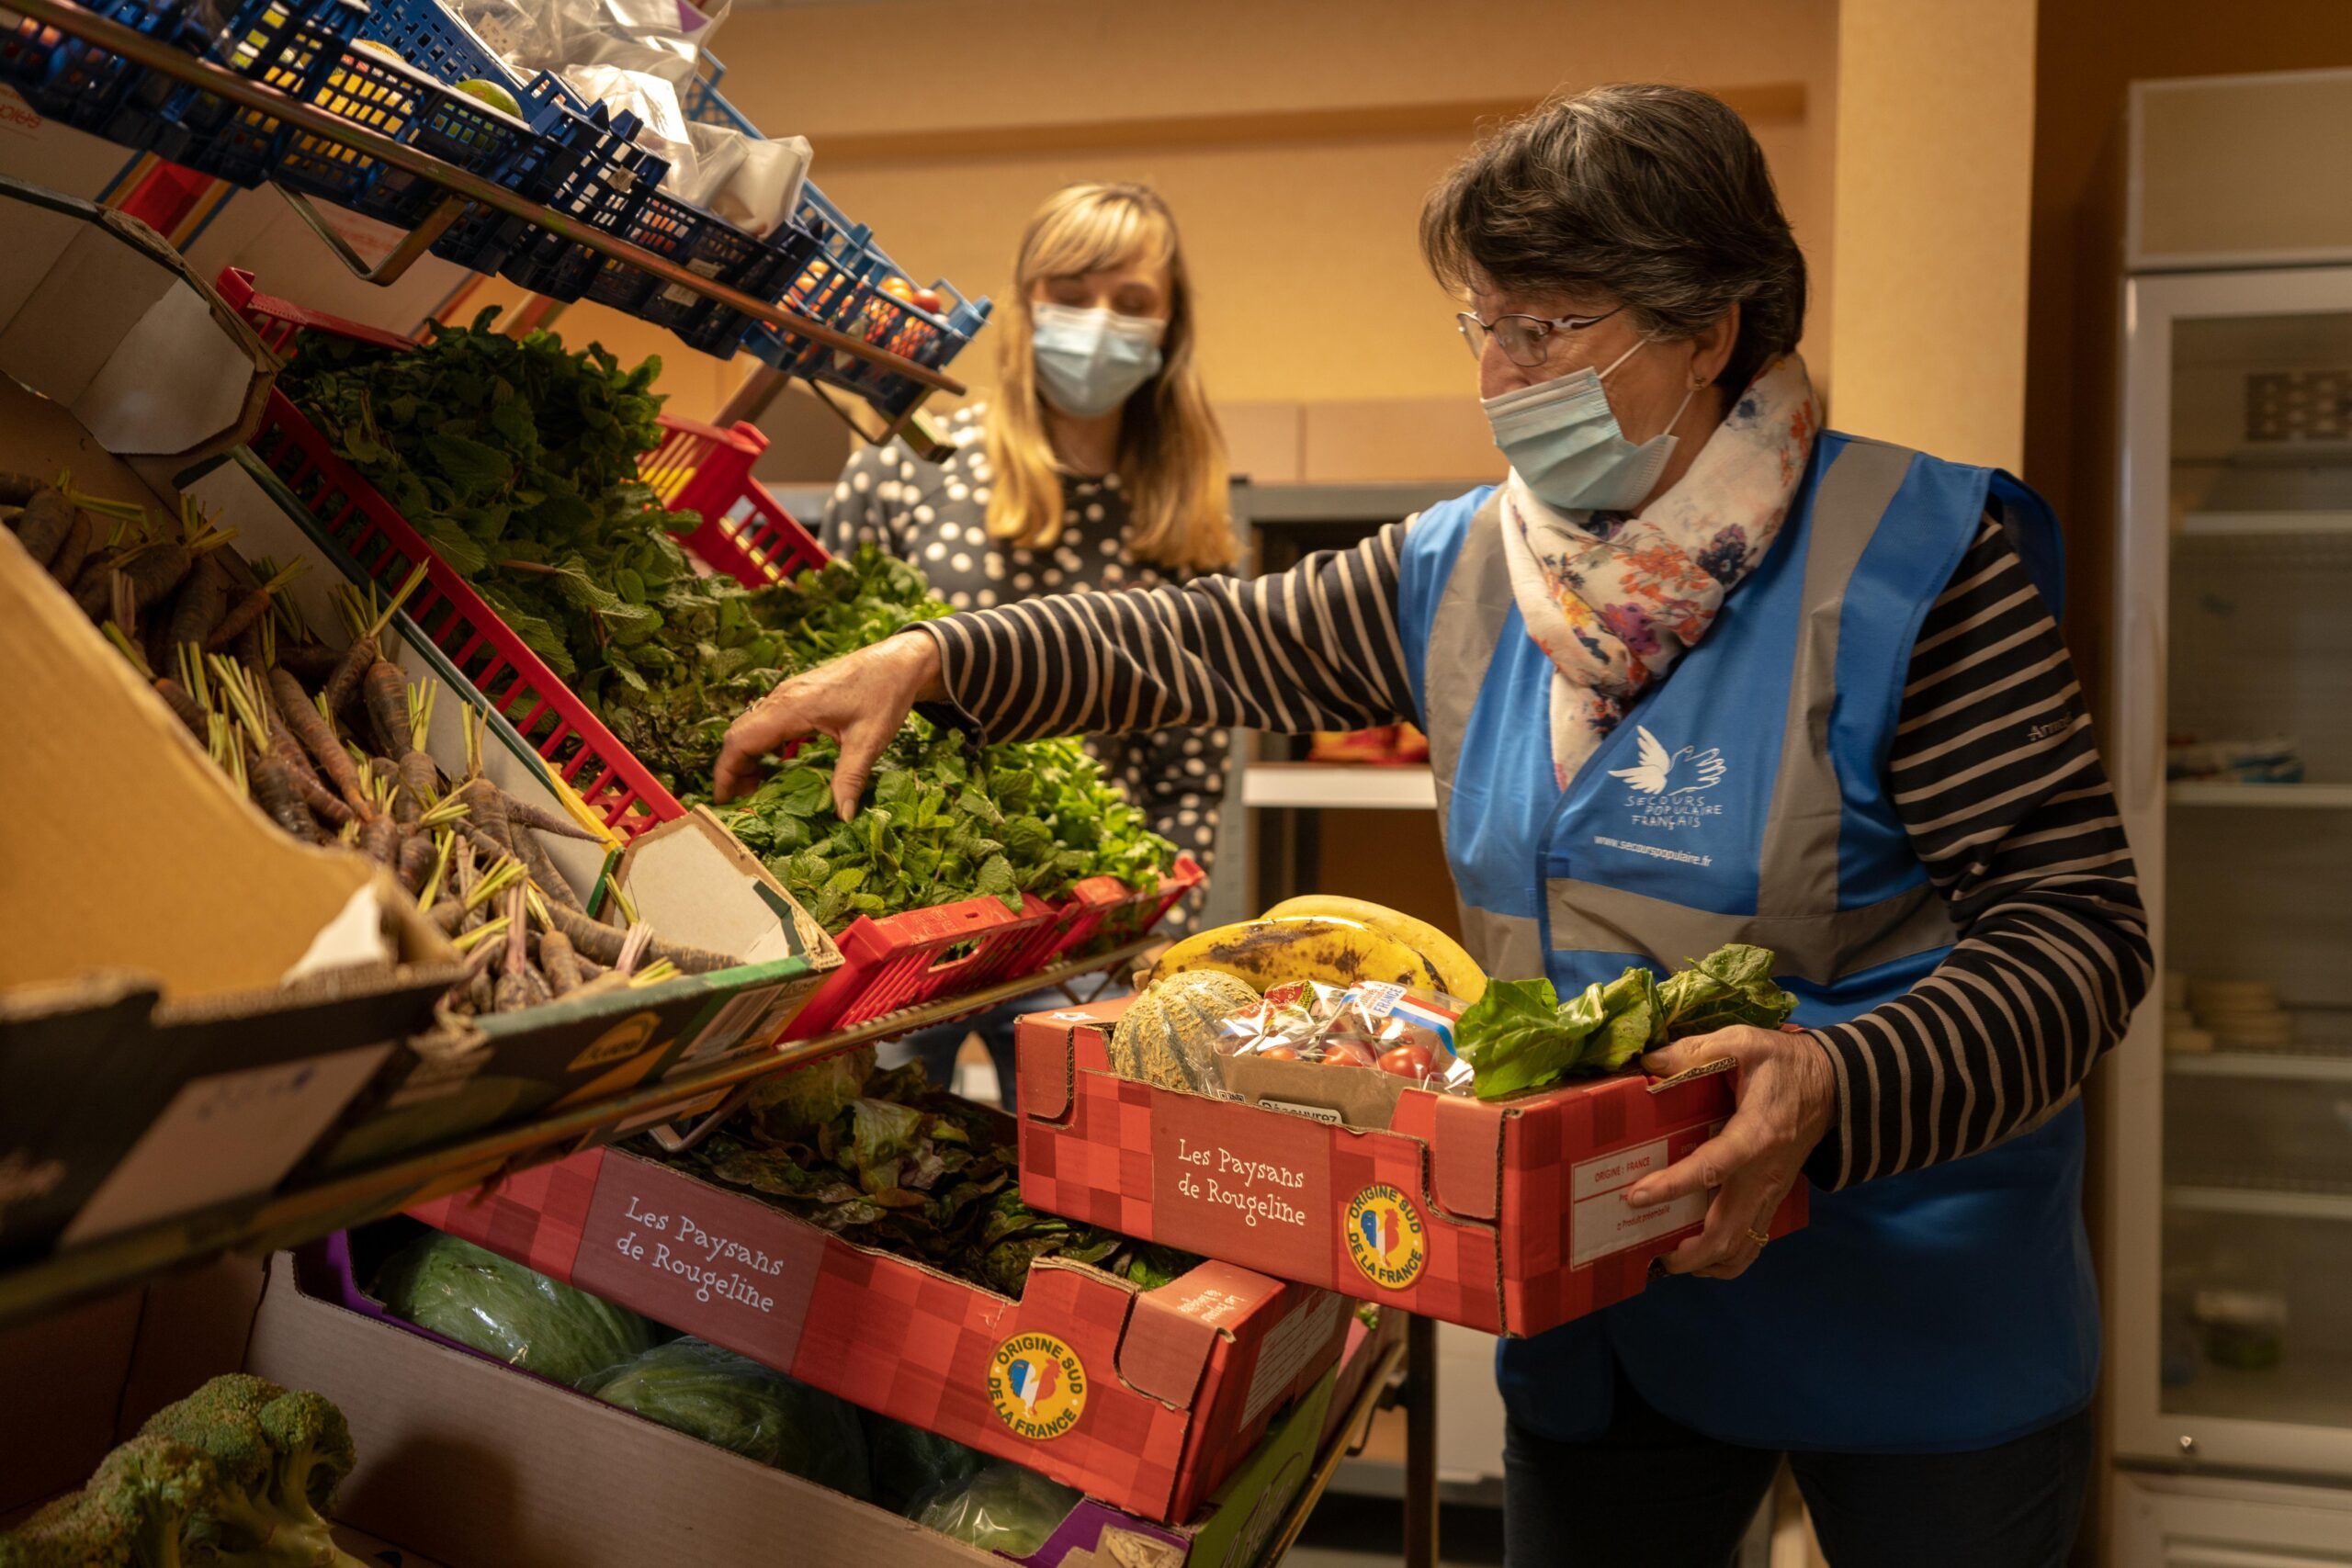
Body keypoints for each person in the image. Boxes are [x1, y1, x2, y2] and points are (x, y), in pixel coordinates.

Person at [718, 85, 2150, 1567]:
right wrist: (947, 662)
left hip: (1910, 1307)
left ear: (1709, 326)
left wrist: (1838, 1081)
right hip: (1605, 1307)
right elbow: (1211, 641)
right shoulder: (1469, 563)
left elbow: (2080, 936)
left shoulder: (1918, 565)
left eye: (1553, 329)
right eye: (1485, 324)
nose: (1504, 374)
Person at [816, 181, 1238, 1108]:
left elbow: (1190, 765)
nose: (1099, 322)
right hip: (895, 914)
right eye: (1072, 293)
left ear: (1169, 328)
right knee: (861, 1159)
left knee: (1068, 1174)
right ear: (1025, 304)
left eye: (1131, 303)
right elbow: (823, 663)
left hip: (1085, 930)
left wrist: (1171, 929)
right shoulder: (914, 466)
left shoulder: (1179, 518)